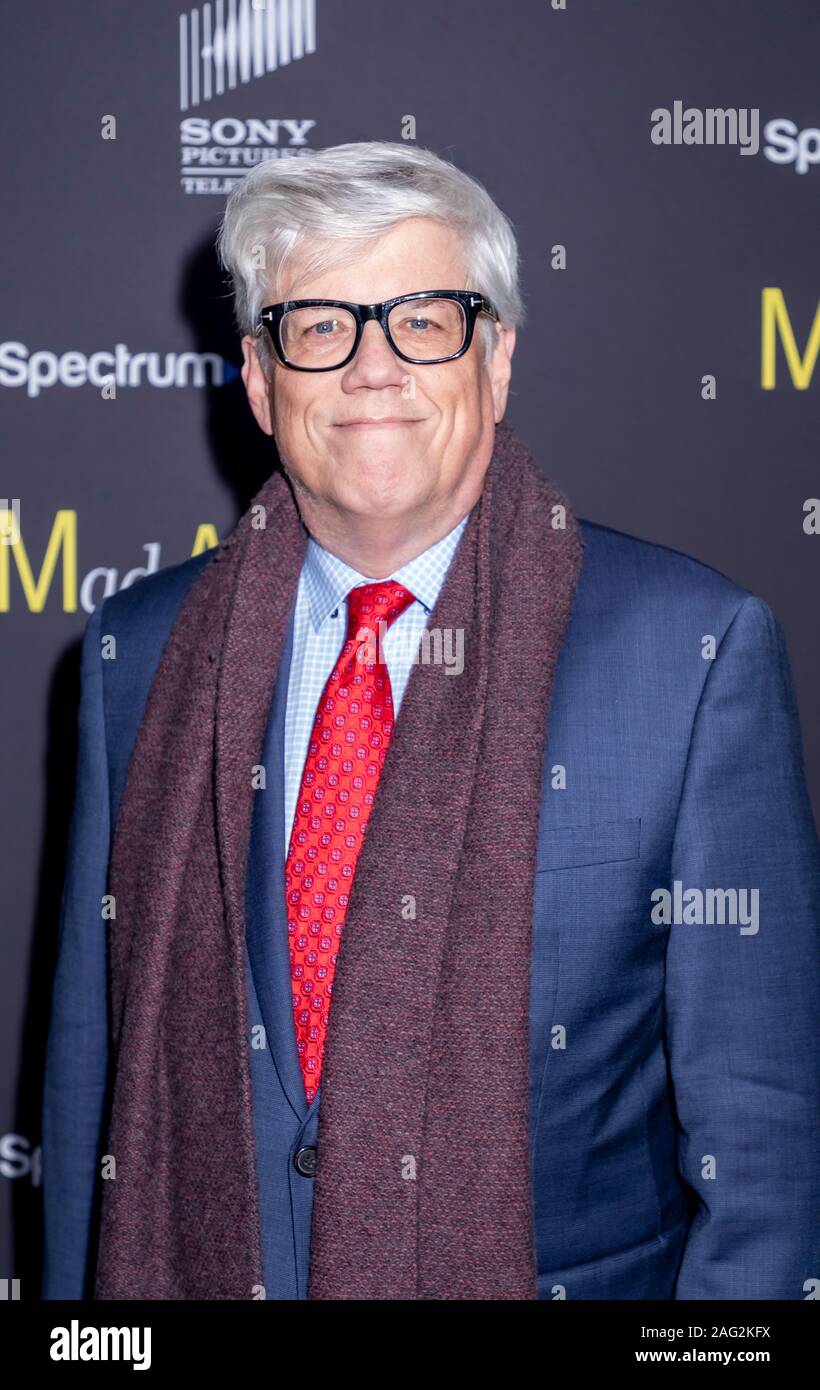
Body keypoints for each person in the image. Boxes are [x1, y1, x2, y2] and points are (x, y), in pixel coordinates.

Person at [42, 141, 820, 1301]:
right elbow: (87, 1088)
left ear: (497, 361)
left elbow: (761, 1152)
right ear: (260, 379)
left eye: (423, 319)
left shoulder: (692, 654)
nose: (373, 369)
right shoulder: (134, 655)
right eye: (320, 325)